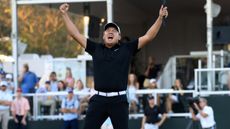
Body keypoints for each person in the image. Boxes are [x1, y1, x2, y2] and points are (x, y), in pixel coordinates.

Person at [60, 3, 168, 129]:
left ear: (119, 37)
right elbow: (75, 34)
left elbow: (148, 36)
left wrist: (160, 18)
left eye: (114, 30)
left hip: (119, 100)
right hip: (98, 99)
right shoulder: (96, 48)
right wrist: (64, 14)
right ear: (104, 36)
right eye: (107, 30)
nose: (110, 32)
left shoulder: (127, 48)